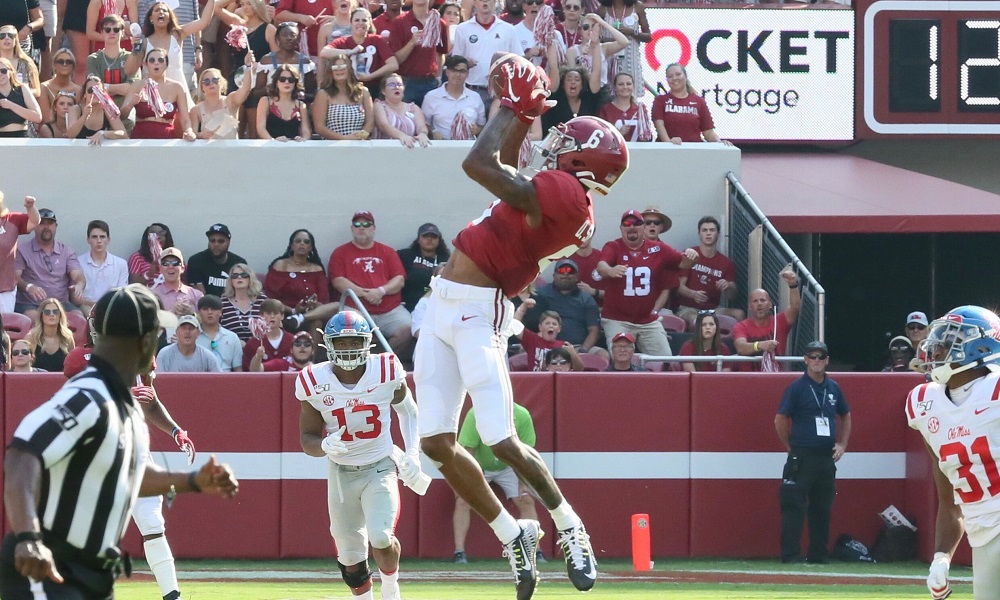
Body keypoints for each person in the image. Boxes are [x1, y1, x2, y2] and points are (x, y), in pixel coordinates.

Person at [414, 53, 628, 599]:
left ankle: (572, 528)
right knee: (436, 443)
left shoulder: (565, 195)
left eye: (564, 142)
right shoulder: (556, 196)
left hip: (477, 311)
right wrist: (524, 119)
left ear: (581, 160)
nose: (553, 146)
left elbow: (479, 164)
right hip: (442, 304)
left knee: (501, 440)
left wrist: (514, 106)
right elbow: (504, 169)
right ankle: (514, 535)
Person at [0, 284, 238, 600]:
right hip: (50, 568)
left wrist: (193, 481)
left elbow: (130, 475)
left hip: (91, 573)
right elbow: (21, 456)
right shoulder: (89, 396)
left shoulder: (125, 407)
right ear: (144, 341)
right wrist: (29, 537)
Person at [295, 310, 424, 600]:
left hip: (380, 465)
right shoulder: (312, 380)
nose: (348, 348)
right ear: (327, 344)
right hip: (341, 473)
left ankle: (391, 588)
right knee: (350, 556)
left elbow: (409, 411)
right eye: (340, 343)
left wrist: (413, 454)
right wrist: (324, 445)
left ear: (367, 342)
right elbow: (307, 438)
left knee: (380, 536)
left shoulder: (387, 369)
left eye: (354, 341)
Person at [907, 306, 1000, 600]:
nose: (935, 349)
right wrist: (941, 557)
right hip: (982, 537)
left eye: (948, 341)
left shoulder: (995, 389)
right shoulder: (925, 403)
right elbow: (949, 501)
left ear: (979, 345)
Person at [775, 340, 851, 565]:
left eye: (821, 357)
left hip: (826, 457)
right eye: (812, 356)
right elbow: (780, 418)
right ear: (805, 360)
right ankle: (790, 555)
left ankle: (818, 554)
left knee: (822, 508)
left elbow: (846, 414)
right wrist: (789, 446)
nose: (817, 361)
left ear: (827, 360)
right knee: (794, 507)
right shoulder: (797, 388)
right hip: (802, 455)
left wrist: (843, 443)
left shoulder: (834, 388)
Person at [595, 209, 696, 358]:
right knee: (620, 358)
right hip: (618, 319)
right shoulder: (613, 246)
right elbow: (601, 266)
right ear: (621, 228)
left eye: (637, 223)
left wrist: (693, 256)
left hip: (647, 319)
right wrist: (610, 270)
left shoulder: (658, 249)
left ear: (643, 228)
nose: (632, 227)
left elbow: (684, 263)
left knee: (664, 358)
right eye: (627, 223)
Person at [453, 403, 543, 564]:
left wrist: (524, 483)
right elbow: (468, 451)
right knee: (463, 501)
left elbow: (525, 453)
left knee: (527, 499)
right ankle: (459, 552)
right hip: (479, 464)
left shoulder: (522, 415)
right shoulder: (476, 414)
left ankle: (535, 551)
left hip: (510, 465)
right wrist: (468, 480)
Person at [329, 210, 413, 356]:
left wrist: (380, 291)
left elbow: (399, 280)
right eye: (357, 224)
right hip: (355, 307)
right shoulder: (340, 253)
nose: (361, 227)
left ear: (373, 228)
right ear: (352, 229)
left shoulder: (387, 252)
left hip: (389, 309)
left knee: (408, 328)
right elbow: (338, 282)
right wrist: (365, 294)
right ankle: (360, 365)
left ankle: (380, 359)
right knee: (351, 331)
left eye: (367, 224)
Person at [15, 208, 87, 321]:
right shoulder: (22, 250)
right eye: (41, 223)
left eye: (50, 223)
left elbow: (77, 275)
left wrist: (79, 285)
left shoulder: (67, 252)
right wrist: (29, 287)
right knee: (37, 319)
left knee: (78, 318)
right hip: (31, 304)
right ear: (34, 226)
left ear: (56, 226)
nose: (46, 227)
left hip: (60, 304)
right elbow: (15, 277)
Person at [449, 0, 520, 109]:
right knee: (474, 126)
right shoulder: (463, 29)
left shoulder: (509, 29)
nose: (485, 2)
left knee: (498, 126)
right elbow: (456, 60)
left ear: (495, 2)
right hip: (472, 90)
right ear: (475, 3)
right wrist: (465, 62)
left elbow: (518, 60)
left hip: (500, 92)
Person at [264, 229, 336, 334]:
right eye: (298, 241)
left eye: (306, 242)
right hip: (285, 314)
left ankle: (301, 318)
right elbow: (271, 298)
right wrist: (293, 310)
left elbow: (323, 300)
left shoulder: (317, 269)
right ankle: (296, 318)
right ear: (292, 246)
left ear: (311, 247)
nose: (302, 243)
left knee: (335, 308)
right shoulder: (281, 265)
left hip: (311, 314)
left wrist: (314, 304)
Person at [676, 215, 743, 328]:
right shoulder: (691, 255)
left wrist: (728, 286)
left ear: (718, 234)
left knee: (739, 314)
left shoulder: (726, 263)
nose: (708, 233)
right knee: (696, 320)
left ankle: (734, 344)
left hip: (713, 309)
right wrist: (693, 294)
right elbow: (678, 286)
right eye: (704, 230)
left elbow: (733, 297)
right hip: (688, 308)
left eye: (712, 230)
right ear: (699, 234)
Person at [120, 47, 197, 140]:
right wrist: (131, 104)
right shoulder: (137, 86)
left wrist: (189, 131)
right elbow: (122, 116)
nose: (156, 63)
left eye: (161, 60)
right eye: (152, 60)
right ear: (146, 64)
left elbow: (185, 119)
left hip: (166, 138)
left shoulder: (177, 87)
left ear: (167, 64)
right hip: (141, 138)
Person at [321, 7, 399, 100]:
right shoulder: (342, 41)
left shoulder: (377, 40)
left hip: (374, 88)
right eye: (357, 20)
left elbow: (393, 64)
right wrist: (350, 52)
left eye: (364, 20)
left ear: (370, 23)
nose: (360, 23)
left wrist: (370, 76)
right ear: (351, 23)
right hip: (348, 88)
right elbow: (324, 52)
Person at [733, 268, 801, 371]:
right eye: (755, 301)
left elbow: (795, 307)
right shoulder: (741, 326)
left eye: (763, 300)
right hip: (749, 380)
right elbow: (741, 348)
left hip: (774, 377)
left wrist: (793, 285)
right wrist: (760, 345)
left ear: (770, 304)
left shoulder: (779, 322)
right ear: (750, 306)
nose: (759, 303)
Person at [534, 258, 603, 356]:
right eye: (561, 270)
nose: (565, 274)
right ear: (554, 276)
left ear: (577, 276)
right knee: (522, 352)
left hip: (578, 347)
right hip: (546, 345)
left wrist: (583, 351)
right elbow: (531, 323)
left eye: (570, 271)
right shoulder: (540, 294)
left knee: (603, 355)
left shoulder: (586, 299)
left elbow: (594, 330)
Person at [388, 0, 448, 106]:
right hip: (407, 82)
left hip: (430, 82)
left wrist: (438, 76)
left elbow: (440, 53)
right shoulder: (399, 22)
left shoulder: (439, 22)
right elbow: (396, 59)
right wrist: (411, 43)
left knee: (429, 120)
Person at [652, 63, 729, 145]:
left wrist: (720, 142)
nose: (674, 78)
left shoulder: (699, 101)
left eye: (678, 74)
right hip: (668, 152)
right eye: (670, 76)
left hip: (694, 151)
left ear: (685, 76)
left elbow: (708, 132)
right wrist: (669, 143)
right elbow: (659, 126)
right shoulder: (660, 100)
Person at [84, 15, 141, 119]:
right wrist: (120, 88)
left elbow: (132, 89)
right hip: (100, 113)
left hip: (126, 112)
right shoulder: (93, 59)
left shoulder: (131, 57)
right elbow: (95, 90)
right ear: (102, 32)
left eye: (116, 29)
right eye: (107, 29)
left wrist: (105, 87)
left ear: (123, 32)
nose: (112, 32)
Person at [421, 54, 485, 140]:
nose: (458, 75)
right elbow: (424, 123)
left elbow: (482, 125)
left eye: (462, 71)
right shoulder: (431, 97)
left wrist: (477, 130)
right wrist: (433, 132)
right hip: (442, 146)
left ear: (467, 74)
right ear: (447, 72)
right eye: (454, 70)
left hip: (468, 146)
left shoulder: (475, 97)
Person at [595, 0, 650, 97]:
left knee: (632, 94)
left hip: (630, 62)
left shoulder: (637, 7)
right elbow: (595, 37)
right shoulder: (603, 9)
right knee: (609, 95)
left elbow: (648, 37)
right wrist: (614, 40)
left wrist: (632, 32)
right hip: (609, 61)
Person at [189, 60, 254, 140]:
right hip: (209, 151)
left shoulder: (231, 100)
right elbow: (192, 134)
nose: (211, 83)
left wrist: (248, 67)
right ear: (202, 87)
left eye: (215, 80)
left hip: (232, 150)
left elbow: (246, 89)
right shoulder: (196, 110)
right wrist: (201, 135)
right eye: (206, 81)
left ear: (222, 83)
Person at [313, 54, 373, 139]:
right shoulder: (323, 94)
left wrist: (360, 137)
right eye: (335, 67)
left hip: (359, 144)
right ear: (330, 71)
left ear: (349, 68)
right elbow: (319, 127)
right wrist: (344, 139)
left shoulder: (363, 92)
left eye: (343, 66)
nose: (339, 69)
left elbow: (370, 122)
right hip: (332, 146)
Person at [78, 219, 129, 316]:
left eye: (102, 237)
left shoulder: (120, 264)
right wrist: (95, 305)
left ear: (108, 240)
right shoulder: (79, 262)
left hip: (112, 307)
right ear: (88, 240)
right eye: (94, 237)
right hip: (87, 306)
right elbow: (75, 297)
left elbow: (122, 294)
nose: (99, 241)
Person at [513, 303, 584, 372]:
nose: (551, 326)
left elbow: (580, 369)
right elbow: (514, 325)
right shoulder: (532, 339)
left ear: (559, 329)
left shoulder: (563, 346)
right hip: (535, 381)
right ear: (540, 327)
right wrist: (524, 306)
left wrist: (573, 353)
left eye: (554, 324)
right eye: (547, 323)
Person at [564, 13, 625, 91]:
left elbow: (624, 42)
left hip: (601, 91)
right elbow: (572, 75)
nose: (590, 30)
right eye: (586, 27)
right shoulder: (572, 51)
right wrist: (582, 57)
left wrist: (603, 23)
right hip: (581, 92)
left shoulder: (604, 48)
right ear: (581, 30)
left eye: (593, 26)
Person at [397, 222, 450, 313]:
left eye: (434, 237)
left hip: (436, 305)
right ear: (418, 239)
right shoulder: (405, 255)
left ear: (439, 240)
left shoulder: (447, 259)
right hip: (408, 304)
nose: (429, 240)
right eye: (425, 236)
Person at [0, 192, 39, 313]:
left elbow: (34, 222)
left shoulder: (12, 220)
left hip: (5, 289)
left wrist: (30, 207)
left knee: (5, 328)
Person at [186, 224, 248, 298]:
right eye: (212, 240)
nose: (216, 244)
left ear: (228, 242)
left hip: (231, 306)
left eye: (221, 241)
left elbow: (241, 294)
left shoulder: (239, 263)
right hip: (206, 306)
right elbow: (200, 296)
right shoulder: (196, 261)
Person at [372, 73, 431, 146]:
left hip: (409, 149)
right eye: (391, 85)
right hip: (384, 150)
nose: (396, 87)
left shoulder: (413, 107)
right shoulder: (379, 105)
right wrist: (402, 136)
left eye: (399, 84)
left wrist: (423, 134)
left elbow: (421, 126)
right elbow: (384, 126)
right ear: (383, 91)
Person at [256, 65, 312, 141]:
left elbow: (306, 130)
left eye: (291, 80)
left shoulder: (301, 105)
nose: (287, 82)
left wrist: (303, 139)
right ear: (276, 82)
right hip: (270, 147)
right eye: (282, 79)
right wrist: (273, 141)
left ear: (295, 83)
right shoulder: (265, 101)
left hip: (293, 148)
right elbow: (260, 128)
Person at [68, 76, 129, 144]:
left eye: (98, 90)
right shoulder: (76, 109)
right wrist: (84, 116)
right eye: (91, 90)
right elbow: (70, 134)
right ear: (85, 94)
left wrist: (102, 133)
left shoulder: (107, 110)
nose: (94, 93)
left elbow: (123, 134)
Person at [541, 65, 601, 132]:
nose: (573, 82)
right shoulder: (555, 103)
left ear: (582, 86)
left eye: (577, 79)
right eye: (569, 79)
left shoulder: (590, 102)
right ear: (563, 85)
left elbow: (596, 72)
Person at [156, 314, 223, 372]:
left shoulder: (208, 356)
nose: (187, 332)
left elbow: (219, 380)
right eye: (183, 328)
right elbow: (158, 381)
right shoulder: (164, 354)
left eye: (191, 328)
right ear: (176, 332)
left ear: (198, 333)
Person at [598, 71, 653, 142]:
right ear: (615, 87)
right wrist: (619, 134)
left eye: (629, 84)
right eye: (621, 84)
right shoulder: (606, 109)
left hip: (638, 151)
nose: (625, 87)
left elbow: (648, 136)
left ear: (633, 86)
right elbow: (602, 137)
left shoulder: (640, 108)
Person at [24, 298, 76, 373]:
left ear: (60, 315)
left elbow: (72, 365)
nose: (51, 314)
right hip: (36, 381)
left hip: (60, 382)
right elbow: (23, 366)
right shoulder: (31, 337)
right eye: (47, 312)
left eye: (55, 311)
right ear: (41, 316)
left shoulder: (67, 337)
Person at [220, 263, 267, 344]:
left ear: (250, 278)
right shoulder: (223, 302)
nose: (239, 277)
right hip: (230, 346)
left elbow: (272, 326)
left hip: (260, 347)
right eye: (235, 275)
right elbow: (217, 330)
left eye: (244, 275)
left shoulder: (262, 300)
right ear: (231, 280)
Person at [243, 297, 294, 371]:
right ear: (261, 316)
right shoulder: (253, 343)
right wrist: (257, 357)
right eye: (268, 313)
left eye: (275, 313)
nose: (272, 316)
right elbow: (247, 371)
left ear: (282, 316)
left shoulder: (292, 340)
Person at [151, 247, 204, 316]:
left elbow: (206, 322)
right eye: (166, 263)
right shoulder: (152, 296)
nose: (170, 266)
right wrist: (172, 312)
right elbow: (149, 322)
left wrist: (192, 314)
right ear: (160, 269)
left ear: (182, 268)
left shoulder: (197, 295)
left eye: (175, 263)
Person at [196, 294, 242, 371]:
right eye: (205, 309)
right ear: (199, 312)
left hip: (226, 379)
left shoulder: (232, 337)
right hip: (199, 379)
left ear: (221, 312)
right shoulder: (192, 337)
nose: (209, 312)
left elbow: (238, 368)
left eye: (213, 309)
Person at [0, 56, 43, 138]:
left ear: (11, 72)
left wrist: (10, 105)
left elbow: (37, 117)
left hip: (21, 136)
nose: (0, 74)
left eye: (3, 71)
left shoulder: (22, 88)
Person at [39, 48, 81, 125]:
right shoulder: (44, 87)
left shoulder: (79, 90)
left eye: (69, 62)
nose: (64, 64)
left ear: (73, 66)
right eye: (61, 61)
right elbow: (45, 119)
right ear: (54, 65)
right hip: (49, 132)